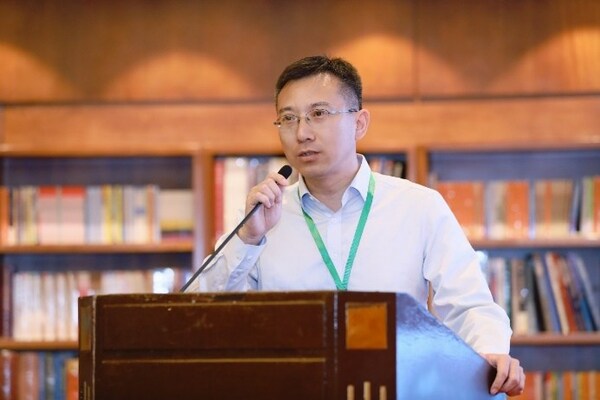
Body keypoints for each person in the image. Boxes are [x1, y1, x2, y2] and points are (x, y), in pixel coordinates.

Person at [192, 55, 525, 396]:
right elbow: (195, 314)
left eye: (319, 114)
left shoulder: (418, 206)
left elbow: (469, 305)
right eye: (288, 119)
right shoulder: (260, 218)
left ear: (359, 123)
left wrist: (489, 353)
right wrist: (247, 240)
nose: (302, 133)